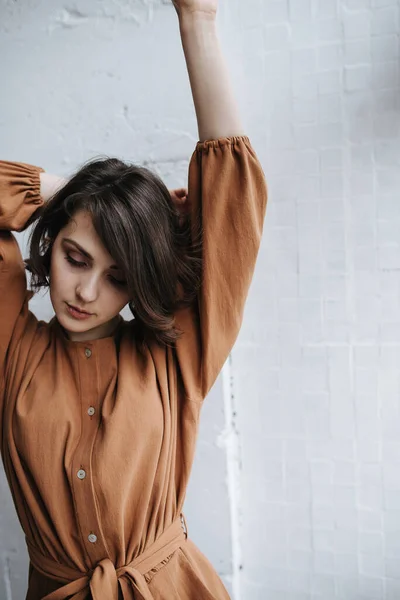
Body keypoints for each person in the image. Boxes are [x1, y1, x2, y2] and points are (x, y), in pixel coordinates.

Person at [0, 0, 267, 598]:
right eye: (76, 258)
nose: (88, 292)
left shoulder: (175, 352)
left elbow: (231, 207)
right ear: (51, 242)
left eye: (119, 277)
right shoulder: (12, 349)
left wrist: (197, 20)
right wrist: (71, 191)